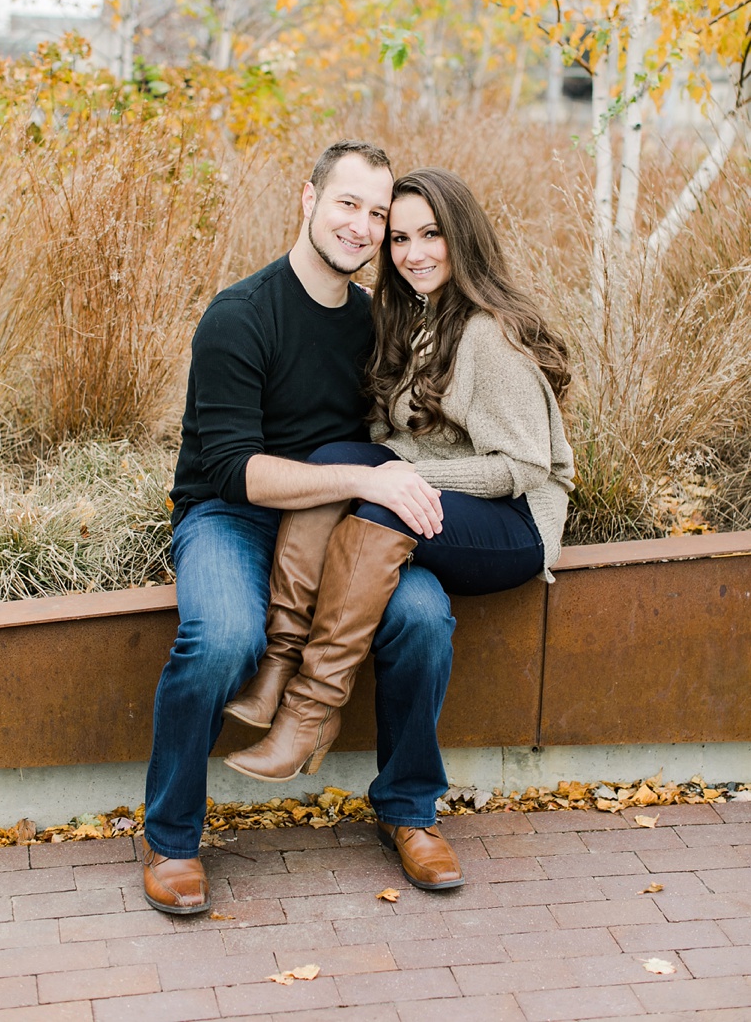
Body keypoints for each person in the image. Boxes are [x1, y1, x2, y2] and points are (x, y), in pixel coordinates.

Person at [222, 167, 575, 883]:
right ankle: (283, 663)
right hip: (430, 519)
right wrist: (375, 472)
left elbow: (524, 467)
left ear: (462, 239)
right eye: (401, 237)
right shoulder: (412, 317)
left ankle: (320, 720)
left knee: (376, 490)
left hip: (509, 524)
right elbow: (389, 448)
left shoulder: (487, 334)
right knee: (337, 470)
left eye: (431, 236)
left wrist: (399, 480)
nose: (413, 253)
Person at [141, 141, 463, 915]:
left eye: (378, 214)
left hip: (344, 527)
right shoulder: (240, 315)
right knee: (221, 635)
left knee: (423, 617)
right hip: (233, 519)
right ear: (308, 199)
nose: (361, 226)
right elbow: (232, 470)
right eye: (348, 203)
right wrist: (360, 477)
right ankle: (171, 835)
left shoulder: (376, 324)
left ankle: (409, 809)